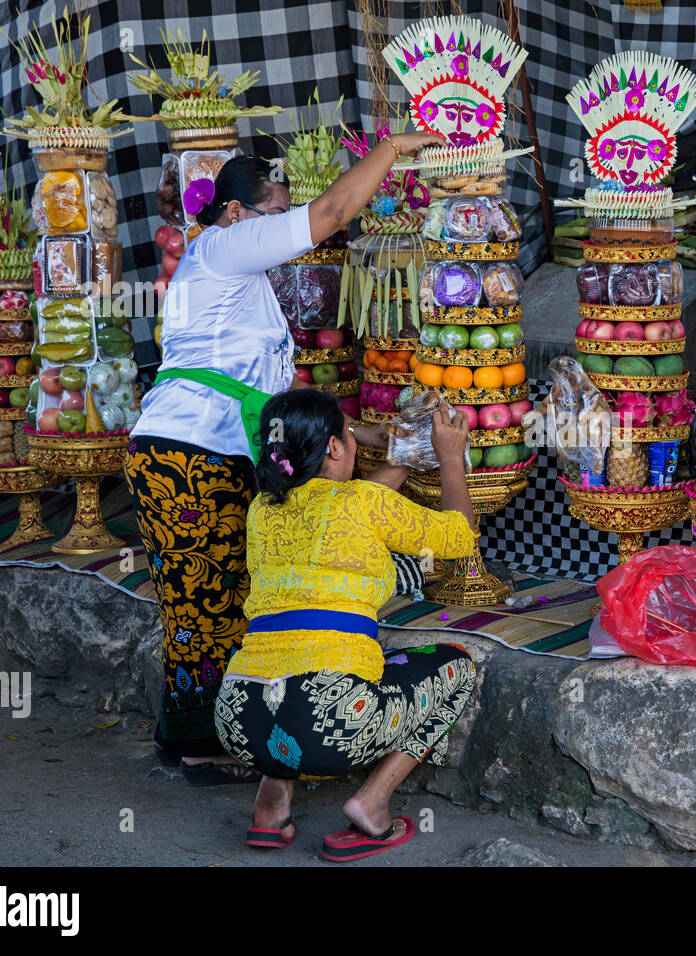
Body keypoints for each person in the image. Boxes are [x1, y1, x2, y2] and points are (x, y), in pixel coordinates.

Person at [125, 131, 443, 783]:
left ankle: (181, 731)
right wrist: (393, 149)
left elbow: (281, 391)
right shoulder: (221, 245)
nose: (284, 226)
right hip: (187, 454)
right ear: (238, 211)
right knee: (205, 604)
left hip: (205, 453)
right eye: (275, 212)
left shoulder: (241, 282)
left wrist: (374, 437)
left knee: (215, 595)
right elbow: (330, 215)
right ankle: (197, 746)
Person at [214, 388, 478, 860]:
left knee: (290, 665)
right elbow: (458, 537)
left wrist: (401, 460)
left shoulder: (261, 510)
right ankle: (372, 803)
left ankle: (271, 805)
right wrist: (450, 459)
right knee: (455, 667)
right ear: (335, 447)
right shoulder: (363, 504)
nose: (355, 441)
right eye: (349, 433)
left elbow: (344, 507)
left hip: (238, 721)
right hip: (330, 720)